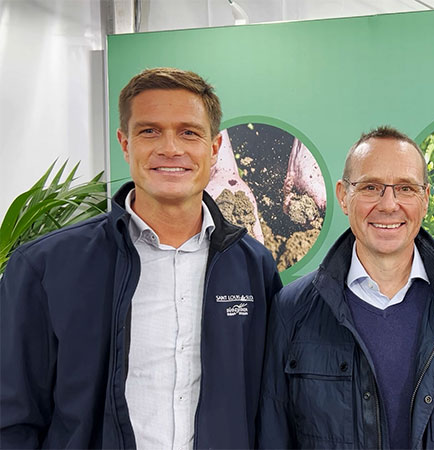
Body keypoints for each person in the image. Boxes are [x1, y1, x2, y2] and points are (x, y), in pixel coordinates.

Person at [0, 67, 282, 449]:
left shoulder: (253, 267)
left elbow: (269, 407)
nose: (170, 148)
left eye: (189, 132)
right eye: (149, 131)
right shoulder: (45, 266)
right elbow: (12, 416)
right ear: (125, 142)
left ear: (213, 148)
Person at [259, 126, 434, 449]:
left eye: (405, 188)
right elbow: (273, 436)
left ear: (425, 199)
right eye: (371, 187)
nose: (389, 204)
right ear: (344, 196)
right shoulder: (293, 309)